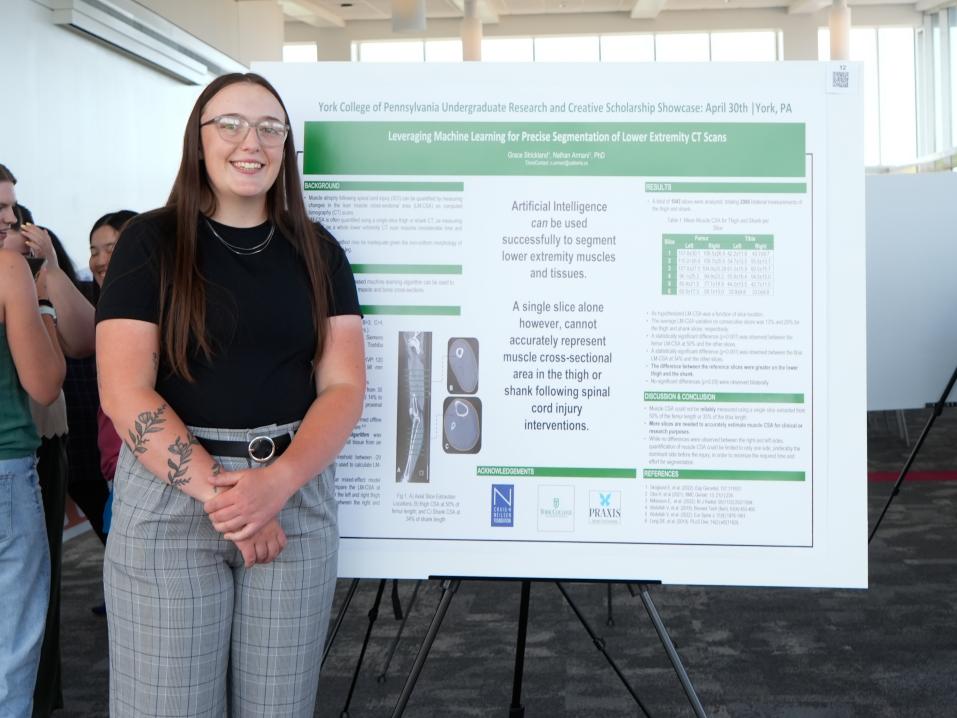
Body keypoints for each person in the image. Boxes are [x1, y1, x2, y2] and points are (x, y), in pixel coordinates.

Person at [96, 72, 365, 717]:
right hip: (169, 505)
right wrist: (227, 497)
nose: (253, 141)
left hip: (291, 501)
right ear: (199, 140)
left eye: (271, 127)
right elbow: (123, 389)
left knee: (279, 706)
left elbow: (344, 385)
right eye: (231, 124)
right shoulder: (149, 242)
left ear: (286, 148)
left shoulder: (317, 250)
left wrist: (275, 485)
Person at [0, 168, 66, 716]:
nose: (10, 219)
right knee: (10, 653)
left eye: (12, 207)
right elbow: (44, 383)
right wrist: (43, 310)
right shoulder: (8, 268)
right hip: (4, 468)